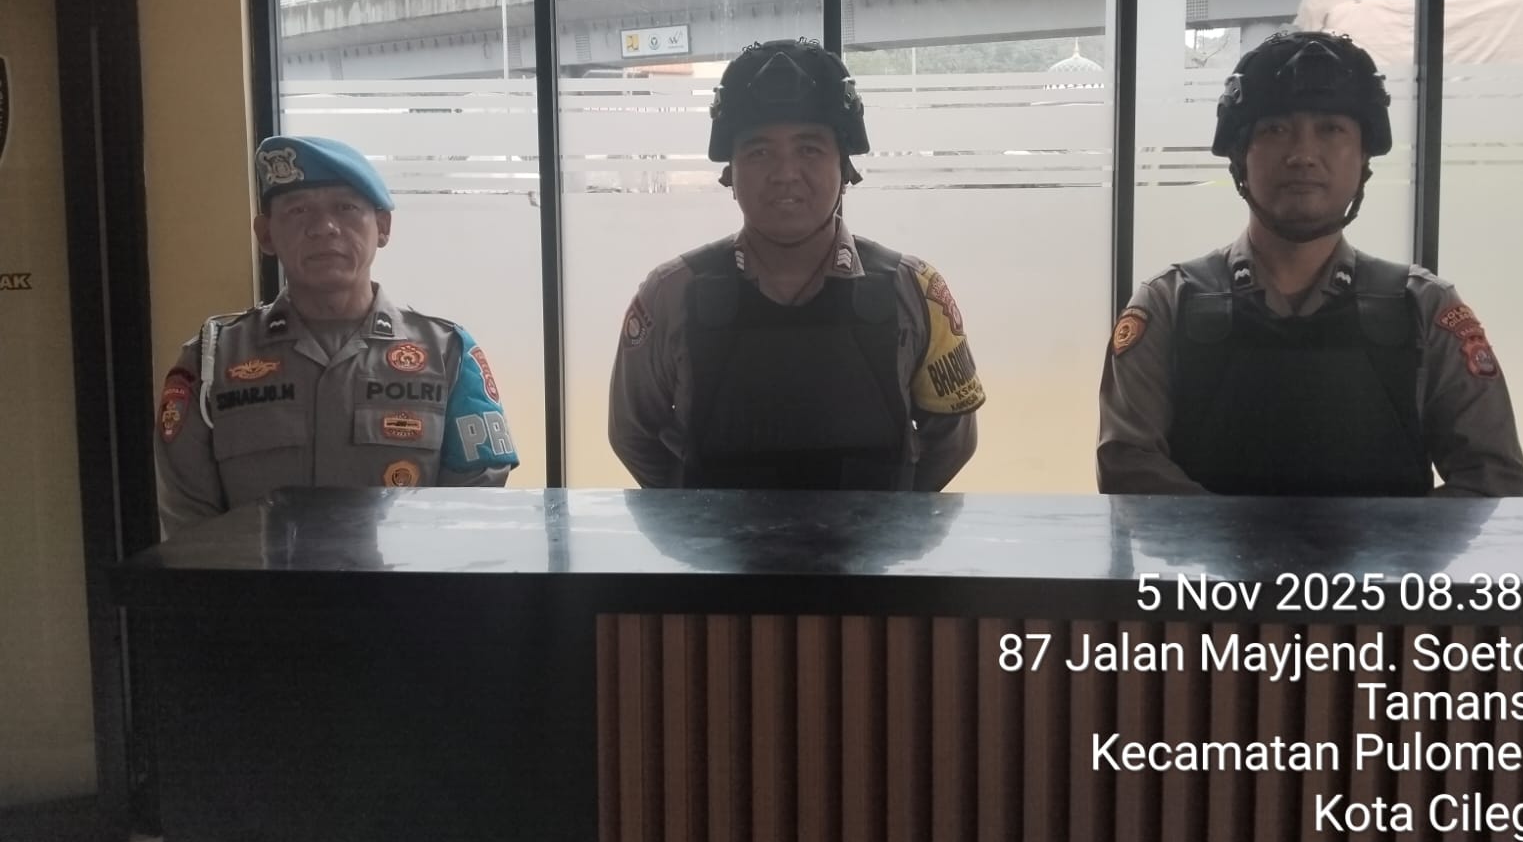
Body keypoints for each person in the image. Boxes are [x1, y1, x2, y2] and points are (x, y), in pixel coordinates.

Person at [1098, 30, 1523, 497]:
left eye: (1331, 129)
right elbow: (1128, 467)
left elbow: (1492, 478)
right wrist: (1237, 542)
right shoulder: (1169, 304)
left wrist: (1389, 542)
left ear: (1363, 157)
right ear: (1240, 158)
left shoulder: (1422, 307)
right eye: (1275, 129)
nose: (1303, 155)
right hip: (1203, 554)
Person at [608, 39, 984, 492]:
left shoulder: (915, 291)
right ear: (729, 174)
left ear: (846, 168)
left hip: (874, 541)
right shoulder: (668, 295)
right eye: (759, 152)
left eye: (809, 149)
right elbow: (633, 435)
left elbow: (953, 441)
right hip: (716, 542)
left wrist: (886, 522)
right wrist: (698, 520)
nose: (785, 173)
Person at [155, 135, 518, 535]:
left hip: (406, 579)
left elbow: (473, 510)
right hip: (253, 579)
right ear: (266, 234)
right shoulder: (210, 362)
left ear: (383, 226)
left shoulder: (449, 355)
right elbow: (190, 523)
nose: (324, 227)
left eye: (346, 208)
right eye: (298, 210)